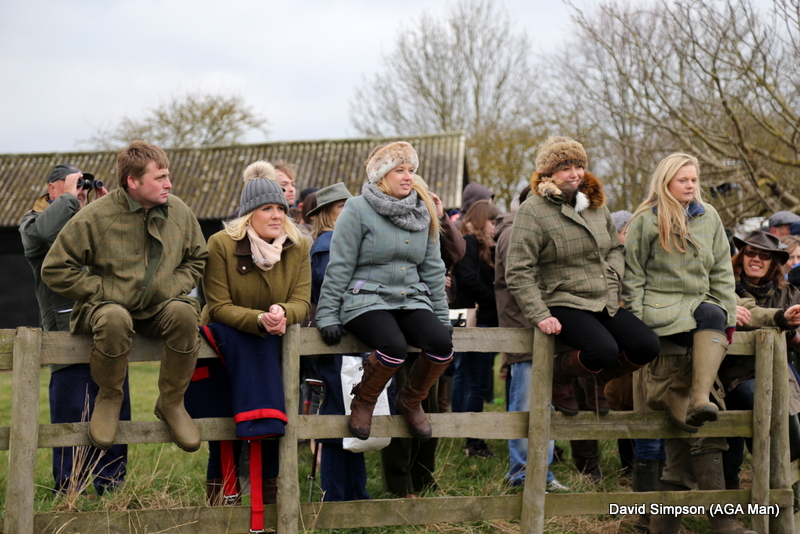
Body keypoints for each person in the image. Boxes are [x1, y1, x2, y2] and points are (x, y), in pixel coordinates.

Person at [42, 141, 208, 453]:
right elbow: (55, 268)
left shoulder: (179, 212)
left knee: (186, 313)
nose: (169, 184)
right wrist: (105, 291)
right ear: (133, 181)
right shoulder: (97, 216)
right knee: (114, 318)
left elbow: (197, 258)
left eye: (167, 176)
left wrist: (170, 287)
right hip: (109, 308)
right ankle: (109, 397)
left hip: (159, 307)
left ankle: (172, 401)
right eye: (160, 177)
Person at [623, 153, 751, 534]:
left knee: (701, 441)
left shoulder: (709, 217)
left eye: (694, 179)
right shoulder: (646, 221)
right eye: (683, 180)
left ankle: (714, 524)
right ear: (666, 182)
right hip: (663, 332)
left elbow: (722, 273)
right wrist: (639, 326)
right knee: (686, 444)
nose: (691, 185)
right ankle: (708, 525)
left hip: (700, 335)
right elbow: (633, 278)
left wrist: (728, 317)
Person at [506, 136, 660, 421]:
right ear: (548, 173)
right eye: (565, 168)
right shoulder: (534, 210)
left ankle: (592, 379)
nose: (574, 173)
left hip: (602, 298)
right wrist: (539, 314)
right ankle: (556, 379)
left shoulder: (595, 205)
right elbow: (517, 270)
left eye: (578, 166)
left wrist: (613, 275)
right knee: (603, 349)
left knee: (647, 345)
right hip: (562, 298)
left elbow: (614, 248)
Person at [315, 141, 454, 445]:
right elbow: (339, 265)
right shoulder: (357, 208)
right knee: (394, 346)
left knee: (442, 345)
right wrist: (327, 315)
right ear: (381, 175)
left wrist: (442, 317)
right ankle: (364, 401)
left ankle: (411, 400)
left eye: (411, 170)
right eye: (400, 170)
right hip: (365, 298)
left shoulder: (422, 210)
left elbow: (433, 268)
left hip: (410, 298)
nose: (408, 176)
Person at [197, 161, 310, 506]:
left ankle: (270, 515)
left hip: (274, 351)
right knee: (224, 434)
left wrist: (283, 312)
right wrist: (259, 319)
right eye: (267, 208)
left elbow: (302, 301)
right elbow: (217, 305)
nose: (277, 215)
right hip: (225, 352)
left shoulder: (298, 246)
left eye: (281, 208)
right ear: (249, 213)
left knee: (271, 431)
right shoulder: (220, 244)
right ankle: (221, 514)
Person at [20, 164, 129, 496]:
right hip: (66, 336)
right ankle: (69, 490)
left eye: (83, 185)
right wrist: (69, 198)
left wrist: (113, 207)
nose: (81, 191)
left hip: (108, 334)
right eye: (73, 185)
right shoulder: (32, 222)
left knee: (114, 411)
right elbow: (43, 237)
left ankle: (112, 487)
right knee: (71, 418)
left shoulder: (94, 219)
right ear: (52, 188)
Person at [495, 185, 566, 491]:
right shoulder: (515, 233)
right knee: (526, 405)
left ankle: (541, 474)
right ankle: (522, 475)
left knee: (542, 405)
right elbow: (523, 280)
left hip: (541, 329)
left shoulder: (529, 231)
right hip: (525, 329)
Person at [720, 230, 800, 489]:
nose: (756, 258)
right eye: (750, 253)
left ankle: (785, 488)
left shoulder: (788, 293)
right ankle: (733, 493)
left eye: (764, 256)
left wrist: (793, 334)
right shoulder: (724, 287)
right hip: (730, 374)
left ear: (773, 263)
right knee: (749, 400)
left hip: (779, 370)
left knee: (789, 415)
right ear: (741, 256)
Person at [306, 182, 370, 502]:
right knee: (336, 417)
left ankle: (356, 495)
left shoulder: (343, 240)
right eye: (341, 207)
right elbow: (333, 287)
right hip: (335, 340)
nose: (349, 212)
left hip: (350, 339)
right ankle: (334, 499)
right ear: (326, 214)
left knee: (353, 415)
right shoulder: (328, 244)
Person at [450, 199, 499, 458]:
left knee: (474, 379)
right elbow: (467, 278)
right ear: (481, 220)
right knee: (476, 382)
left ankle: (468, 435)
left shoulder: (484, 245)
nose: (494, 227)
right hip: (477, 320)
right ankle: (473, 441)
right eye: (492, 221)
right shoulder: (469, 242)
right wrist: (494, 298)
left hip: (484, 318)